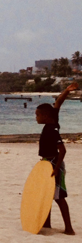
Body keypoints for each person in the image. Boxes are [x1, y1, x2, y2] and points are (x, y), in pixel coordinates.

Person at [37, 82, 79, 234]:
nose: (36, 117)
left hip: (55, 164)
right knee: (46, 194)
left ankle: (69, 228)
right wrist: (67, 90)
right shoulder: (52, 121)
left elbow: (63, 150)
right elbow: (59, 102)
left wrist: (56, 167)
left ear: (46, 116)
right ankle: (46, 223)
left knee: (59, 197)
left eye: (38, 115)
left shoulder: (54, 128)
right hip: (45, 162)